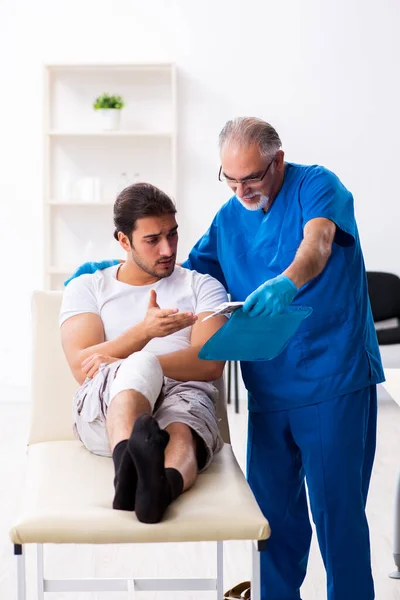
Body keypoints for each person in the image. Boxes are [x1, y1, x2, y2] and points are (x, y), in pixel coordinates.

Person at [65, 118, 384, 600]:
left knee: (337, 517)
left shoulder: (317, 185)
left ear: (277, 161)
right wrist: (111, 270)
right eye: (230, 180)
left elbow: (317, 244)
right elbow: (185, 273)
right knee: (273, 522)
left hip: (332, 378)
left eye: (252, 179)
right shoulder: (230, 219)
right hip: (270, 387)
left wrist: (287, 282)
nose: (241, 190)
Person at [60, 182, 228, 524]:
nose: (167, 249)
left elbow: (210, 363)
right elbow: (82, 367)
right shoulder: (88, 287)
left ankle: (159, 489)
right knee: (139, 367)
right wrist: (143, 334)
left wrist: (138, 360)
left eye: (172, 234)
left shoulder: (203, 286)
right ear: (124, 241)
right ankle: (128, 465)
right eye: (152, 240)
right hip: (106, 404)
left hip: (185, 392)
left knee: (182, 425)